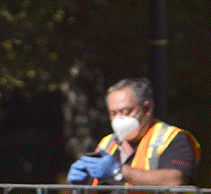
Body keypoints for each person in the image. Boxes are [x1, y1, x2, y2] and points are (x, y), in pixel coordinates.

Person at [66, 77, 199, 187]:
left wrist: (119, 171)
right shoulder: (107, 144)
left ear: (147, 109)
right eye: (113, 113)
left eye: (125, 112)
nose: (119, 120)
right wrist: (80, 188)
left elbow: (176, 181)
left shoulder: (172, 138)